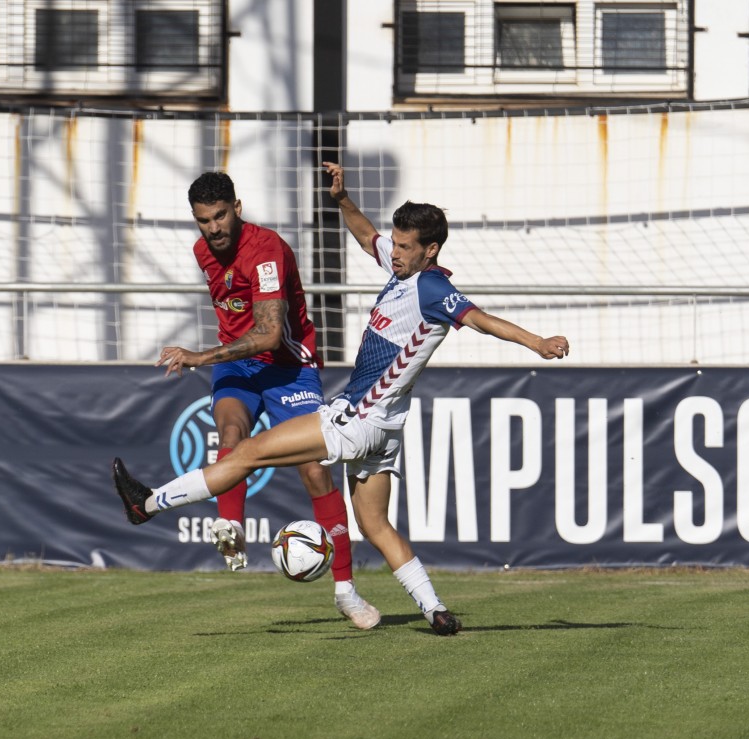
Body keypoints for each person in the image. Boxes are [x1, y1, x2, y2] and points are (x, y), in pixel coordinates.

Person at [115, 161, 570, 635]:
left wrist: (536, 342)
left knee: (247, 452)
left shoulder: (433, 287)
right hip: (386, 431)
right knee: (375, 525)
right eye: (394, 243)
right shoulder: (403, 270)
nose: (392, 252)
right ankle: (436, 610)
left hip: (357, 420)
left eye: (404, 246)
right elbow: (365, 235)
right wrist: (343, 202)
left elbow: (481, 319)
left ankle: (147, 505)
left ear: (430, 251)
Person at [152, 171, 380, 630]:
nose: (213, 229)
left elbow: (270, 333)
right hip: (238, 366)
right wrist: (217, 359)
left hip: (287, 365)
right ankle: (232, 531)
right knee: (231, 434)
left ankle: (346, 592)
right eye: (203, 221)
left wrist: (200, 357)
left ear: (237, 208)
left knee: (315, 469)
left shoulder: (266, 250)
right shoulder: (203, 252)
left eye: (220, 216)